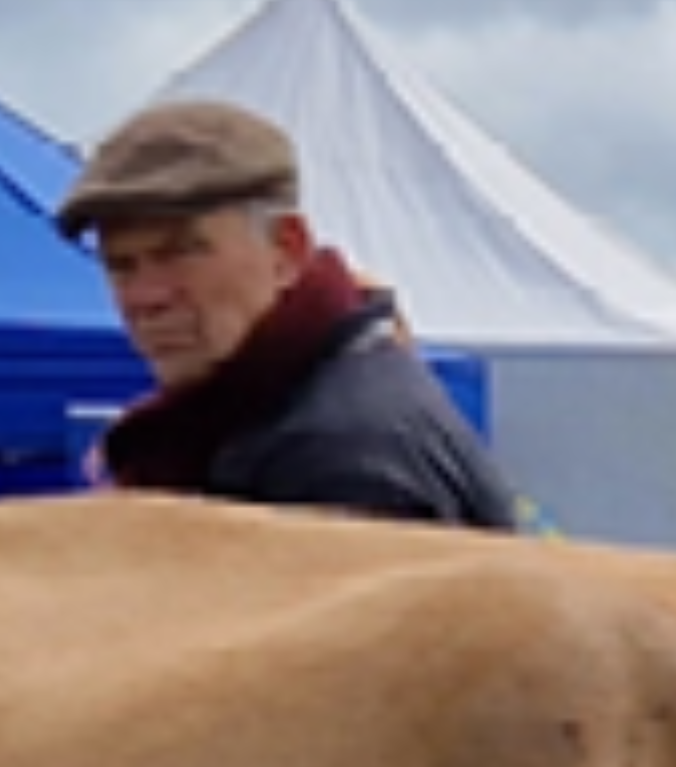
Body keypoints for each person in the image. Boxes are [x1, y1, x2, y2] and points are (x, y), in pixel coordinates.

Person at [54, 101, 517, 525]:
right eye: (121, 265)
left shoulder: (341, 456)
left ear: (287, 248)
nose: (147, 296)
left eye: (182, 252)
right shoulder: (266, 417)